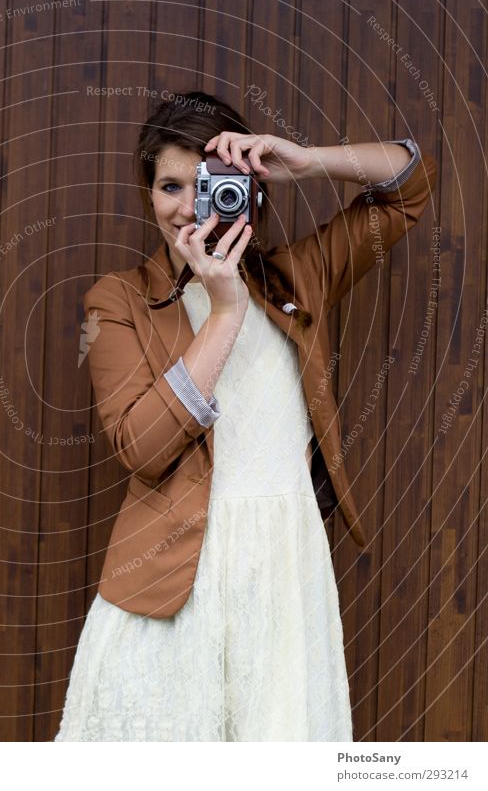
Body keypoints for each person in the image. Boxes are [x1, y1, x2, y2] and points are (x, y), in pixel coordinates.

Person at [54, 91, 437, 741]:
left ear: (246, 188)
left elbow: (408, 187)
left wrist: (308, 162)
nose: (186, 204)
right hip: (171, 587)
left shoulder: (297, 278)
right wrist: (225, 310)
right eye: (169, 185)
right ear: (147, 194)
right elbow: (142, 448)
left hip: (282, 579)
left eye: (207, 183)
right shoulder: (120, 301)